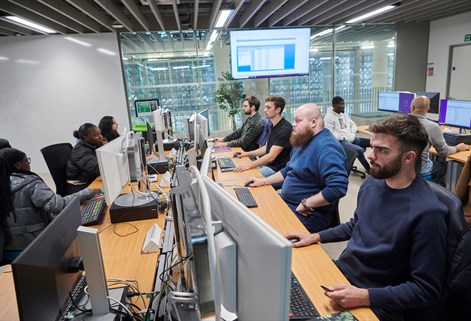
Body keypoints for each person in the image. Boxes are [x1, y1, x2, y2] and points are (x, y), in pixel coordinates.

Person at [285, 114, 448, 321]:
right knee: (278, 291)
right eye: (372, 147)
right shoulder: (373, 184)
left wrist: (365, 296)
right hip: (342, 276)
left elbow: (427, 289)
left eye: (382, 150)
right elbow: (356, 225)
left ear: (408, 158)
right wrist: (315, 237)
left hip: (377, 303)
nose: (370, 155)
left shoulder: (428, 213)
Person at [245, 103, 348, 232]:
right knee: (250, 211)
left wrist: (306, 203)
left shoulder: (327, 149)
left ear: (313, 123)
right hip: (286, 201)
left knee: (257, 230)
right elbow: (288, 169)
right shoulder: (303, 139)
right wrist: (263, 181)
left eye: (298, 121)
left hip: (308, 213)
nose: (293, 124)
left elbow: (338, 188)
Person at [0, 148, 99, 264]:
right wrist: (87, 192)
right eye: (27, 160)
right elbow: (58, 205)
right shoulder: (31, 184)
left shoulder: (3, 184)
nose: (29, 164)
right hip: (33, 245)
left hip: (8, 249)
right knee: (85, 241)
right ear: (18, 165)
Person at [409, 95, 469, 184]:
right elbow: (444, 151)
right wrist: (458, 148)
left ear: (412, 107)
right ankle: (440, 193)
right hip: (421, 171)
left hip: (402, 169)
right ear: (428, 109)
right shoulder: (432, 126)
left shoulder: (399, 122)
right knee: (443, 167)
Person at [233, 96, 292, 180]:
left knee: (245, 177)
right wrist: (246, 153)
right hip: (268, 166)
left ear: (278, 110)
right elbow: (265, 148)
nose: (264, 110)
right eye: (265, 107)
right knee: (241, 173)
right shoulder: (273, 125)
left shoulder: (285, 129)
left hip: (277, 171)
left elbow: (271, 156)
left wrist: (248, 166)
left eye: (268, 107)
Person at [324, 96, 371, 173]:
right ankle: (368, 169)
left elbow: (353, 124)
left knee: (373, 142)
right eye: (341, 104)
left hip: (352, 138)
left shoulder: (344, 114)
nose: (343, 106)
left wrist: (352, 133)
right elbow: (329, 133)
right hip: (342, 142)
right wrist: (342, 138)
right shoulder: (329, 117)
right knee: (359, 150)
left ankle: (378, 166)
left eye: (344, 104)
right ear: (335, 106)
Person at [66, 123, 106, 194]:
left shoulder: (92, 145)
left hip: (90, 179)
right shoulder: (80, 151)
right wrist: (105, 149)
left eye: (100, 134)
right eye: (95, 135)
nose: (100, 137)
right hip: (80, 186)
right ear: (85, 138)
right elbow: (99, 169)